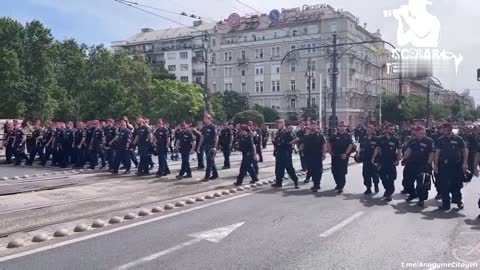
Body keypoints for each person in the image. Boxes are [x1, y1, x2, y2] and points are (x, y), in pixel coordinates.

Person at [434, 122, 467, 210]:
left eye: (445, 129)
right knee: (444, 185)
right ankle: (446, 204)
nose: (444, 131)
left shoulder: (458, 139)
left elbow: (464, 151)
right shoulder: (441, 139)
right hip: (444, 166)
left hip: (456, 165)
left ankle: (458, 201)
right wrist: (435, 165)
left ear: (450, 129)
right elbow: (437, 153)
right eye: (443, 129)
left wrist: (465, 163)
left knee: (456, 184)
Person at [402, 125, 435, 207]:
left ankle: (421, 199)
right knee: (407, 181)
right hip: (412, 163)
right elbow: (409, 150)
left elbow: (432, 153)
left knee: (422, 183)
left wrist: (429, 163)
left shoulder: (429, 141)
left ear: (424, 132)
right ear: (416, 133)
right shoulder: (413, 140)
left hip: (423, 164)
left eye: (422, 133)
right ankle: (412, 194)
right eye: (419, 133)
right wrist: (404, 158)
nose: (421, 134)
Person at [373, 123, 401, 202]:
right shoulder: (380, 138)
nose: (392, 130)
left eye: (393, 129)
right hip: (382, 161)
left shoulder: (396, 139)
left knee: (391, 177)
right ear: (386, 130)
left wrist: (398, 160)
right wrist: (373, 157)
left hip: (392, 161)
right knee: (382, 176)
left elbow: (399, 150)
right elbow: (377, 148)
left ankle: (389, 193)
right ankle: (388, 189)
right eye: (390, 129)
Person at [271, 119, 299, 189]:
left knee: (289, 168)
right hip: (279, 152)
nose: (278, 125)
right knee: (278, 169)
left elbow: (296, 139)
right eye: (278, 124)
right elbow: (276, 142)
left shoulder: (288, 131)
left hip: (286, 152)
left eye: (279, 124)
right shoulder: (278, 132)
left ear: (283, 124)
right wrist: (274, 150)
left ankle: (295, 181)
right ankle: (278, 182)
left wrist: (289, 143)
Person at [328, 121, 354, 194]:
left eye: (343, 126)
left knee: (342, 172)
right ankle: (338, 183)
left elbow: (350, 145)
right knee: (334, 171)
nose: (342, 127)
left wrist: (346, 153)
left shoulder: (348, 136)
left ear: (345, 127)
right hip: (335, 155)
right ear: (338, 127)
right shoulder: (334, 135)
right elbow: (329, 143)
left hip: (343, 156)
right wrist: (330, 152)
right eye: (340, 126)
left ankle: (341, 186)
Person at [357, 125, 380, 195]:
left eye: (370, 129)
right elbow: (361, 148)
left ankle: (376, 185)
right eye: (367, 129)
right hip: (366, 159)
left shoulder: (376, 139)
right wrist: (358, 154)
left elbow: (378, 149)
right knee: (366, 174)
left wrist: (374, 157)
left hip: (374, 159)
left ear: (373, 130)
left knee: (375, 174)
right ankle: (368, 188)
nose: (368, 130)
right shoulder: (364, 138)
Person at [303, 124, 327, 192]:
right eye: (312, 126)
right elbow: (304, 145)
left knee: (318, 170)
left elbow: (324, 144)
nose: (313, 127)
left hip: (317, 155)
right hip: (309, 156)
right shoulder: (307, 136)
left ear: (317, 127)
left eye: (314, 126)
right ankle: (315, 184)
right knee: (311, 170)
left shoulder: (320, 135)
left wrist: (324, 154)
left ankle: (317, 184)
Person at [198, 114, 219, 182]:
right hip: (206, 146)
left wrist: (215, 147)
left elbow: (216, 137)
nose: (204, 120)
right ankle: (215, 174)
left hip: (212, 146)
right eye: (204, 118)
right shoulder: (204, 128)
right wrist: (199, 146)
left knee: (209, 161)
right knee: (211, 161)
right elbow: (202, 137)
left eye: (205, 118)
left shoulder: (213, 127)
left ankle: (207, 176)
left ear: (209, 119)